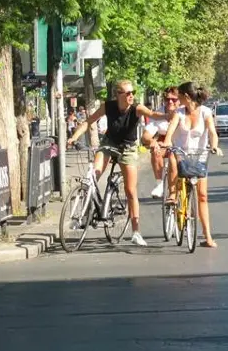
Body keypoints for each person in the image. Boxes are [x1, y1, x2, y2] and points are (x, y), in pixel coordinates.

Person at [68, 79, 161, 246]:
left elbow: (153, 115)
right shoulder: (108, 106)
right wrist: (74, 137)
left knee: (130, 190)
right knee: (92, 176)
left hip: (128, 148)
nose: (131, 95)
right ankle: (82, 215)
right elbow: (89, 122)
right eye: (128, 93)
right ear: (118, 95)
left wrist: (170, 115)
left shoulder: (136, 109)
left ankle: (136, 232)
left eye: (133, 92)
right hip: (109, 144)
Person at [162, 82, 222, 248]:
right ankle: (173, 194)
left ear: (186, 97)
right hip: (181, 154)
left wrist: (214, 145)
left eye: (179, 96)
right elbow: (171, 131)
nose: (177, 99)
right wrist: (167, 142)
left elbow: (212, 132)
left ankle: (207, 236)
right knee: (173, 157)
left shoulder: (205, 112)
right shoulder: (178, 113)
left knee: (202, 196)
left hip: (199, 157)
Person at [141, 86, 179, 198]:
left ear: (180, 100)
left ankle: (175, 192)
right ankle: (159, 185)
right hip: (164, 141)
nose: (170, 102)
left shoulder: (183, 111)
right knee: (155, 151)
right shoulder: (158, 113)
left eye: (174, 99)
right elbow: (145, 136)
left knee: (173, 158)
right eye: (167, 99)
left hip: (181, 142)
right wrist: (153, 141)